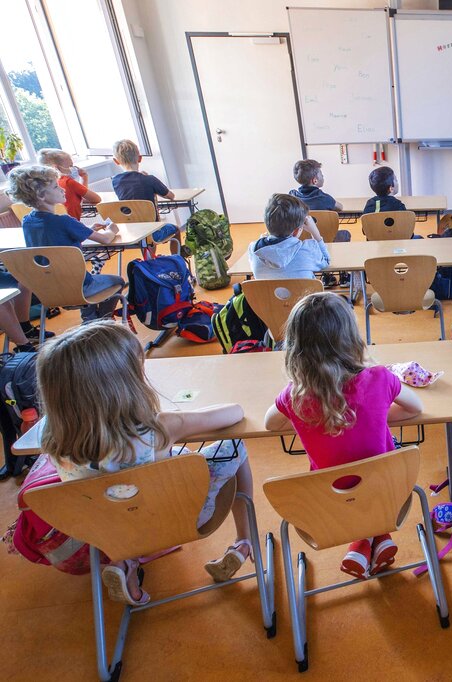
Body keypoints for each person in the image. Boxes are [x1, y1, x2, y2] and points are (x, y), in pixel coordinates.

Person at [38, 321, 257, 604]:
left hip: (101, 529)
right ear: (124, 382)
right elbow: (234, 413)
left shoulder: (51, 435)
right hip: (177, 519)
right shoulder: (156, 428)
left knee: (120, 489)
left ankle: (124, 564)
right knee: (234, 447)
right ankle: (244, 541)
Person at [264, 292, 424, 579]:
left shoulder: (294, 396)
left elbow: (270, 424)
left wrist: (314, 418)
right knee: (374, 473)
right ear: (351, 338)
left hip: (328, 507)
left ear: (295, 347)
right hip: (389, 495)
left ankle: (361, 543)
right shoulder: (380, 378)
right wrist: (372, 416)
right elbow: (415, 409)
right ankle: (377, 536)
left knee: (349, 487)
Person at [7, 165, 123, 323]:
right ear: (41, 195)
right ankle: (102, 321)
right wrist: (112, 229)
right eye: (55, 187)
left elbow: (54, 239)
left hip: (48, 291)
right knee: (119, 281)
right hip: (80, 287)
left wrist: (85, 229)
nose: (62, 189)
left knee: (90, 281)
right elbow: (105, 240)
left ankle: (90, 319)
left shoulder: (27, 222)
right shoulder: (65, 221)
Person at [111, 139, 183, 254]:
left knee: (145, 232)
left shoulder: (115, 181)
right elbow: (171, 196)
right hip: (152, 232)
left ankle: (151, 259)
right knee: (176, 229)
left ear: (116, 161)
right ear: (139, 158)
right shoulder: (149, 180)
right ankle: (177, 259)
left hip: (130, 232)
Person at [248, 193, 329, 280]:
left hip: (266, 293)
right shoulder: (308, 249)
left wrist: (263, 238)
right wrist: (315, 233)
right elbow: (326, 261)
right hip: (306, 293)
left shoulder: (254, 249)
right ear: (296, 231)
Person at [37, 148, 101, 220]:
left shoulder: (46, 185)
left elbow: (79, 197)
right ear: (56, 168)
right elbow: (96, 199)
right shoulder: (68, 182)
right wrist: (84, 178)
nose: (73, 168)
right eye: (70, 166)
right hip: (72, 224)